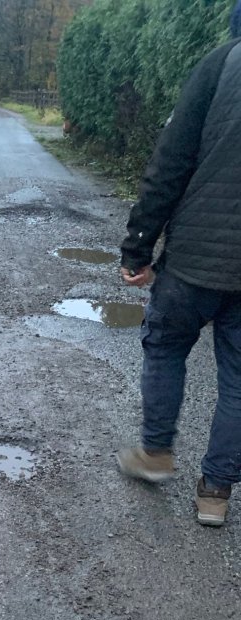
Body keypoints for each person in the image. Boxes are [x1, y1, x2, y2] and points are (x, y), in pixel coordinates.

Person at [117, 0, 241, 526]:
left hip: (193, 259)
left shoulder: (221, 64)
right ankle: (215, 492)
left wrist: (139, 246)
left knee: (166, 347)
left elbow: (171, 161)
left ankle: (156, 453)